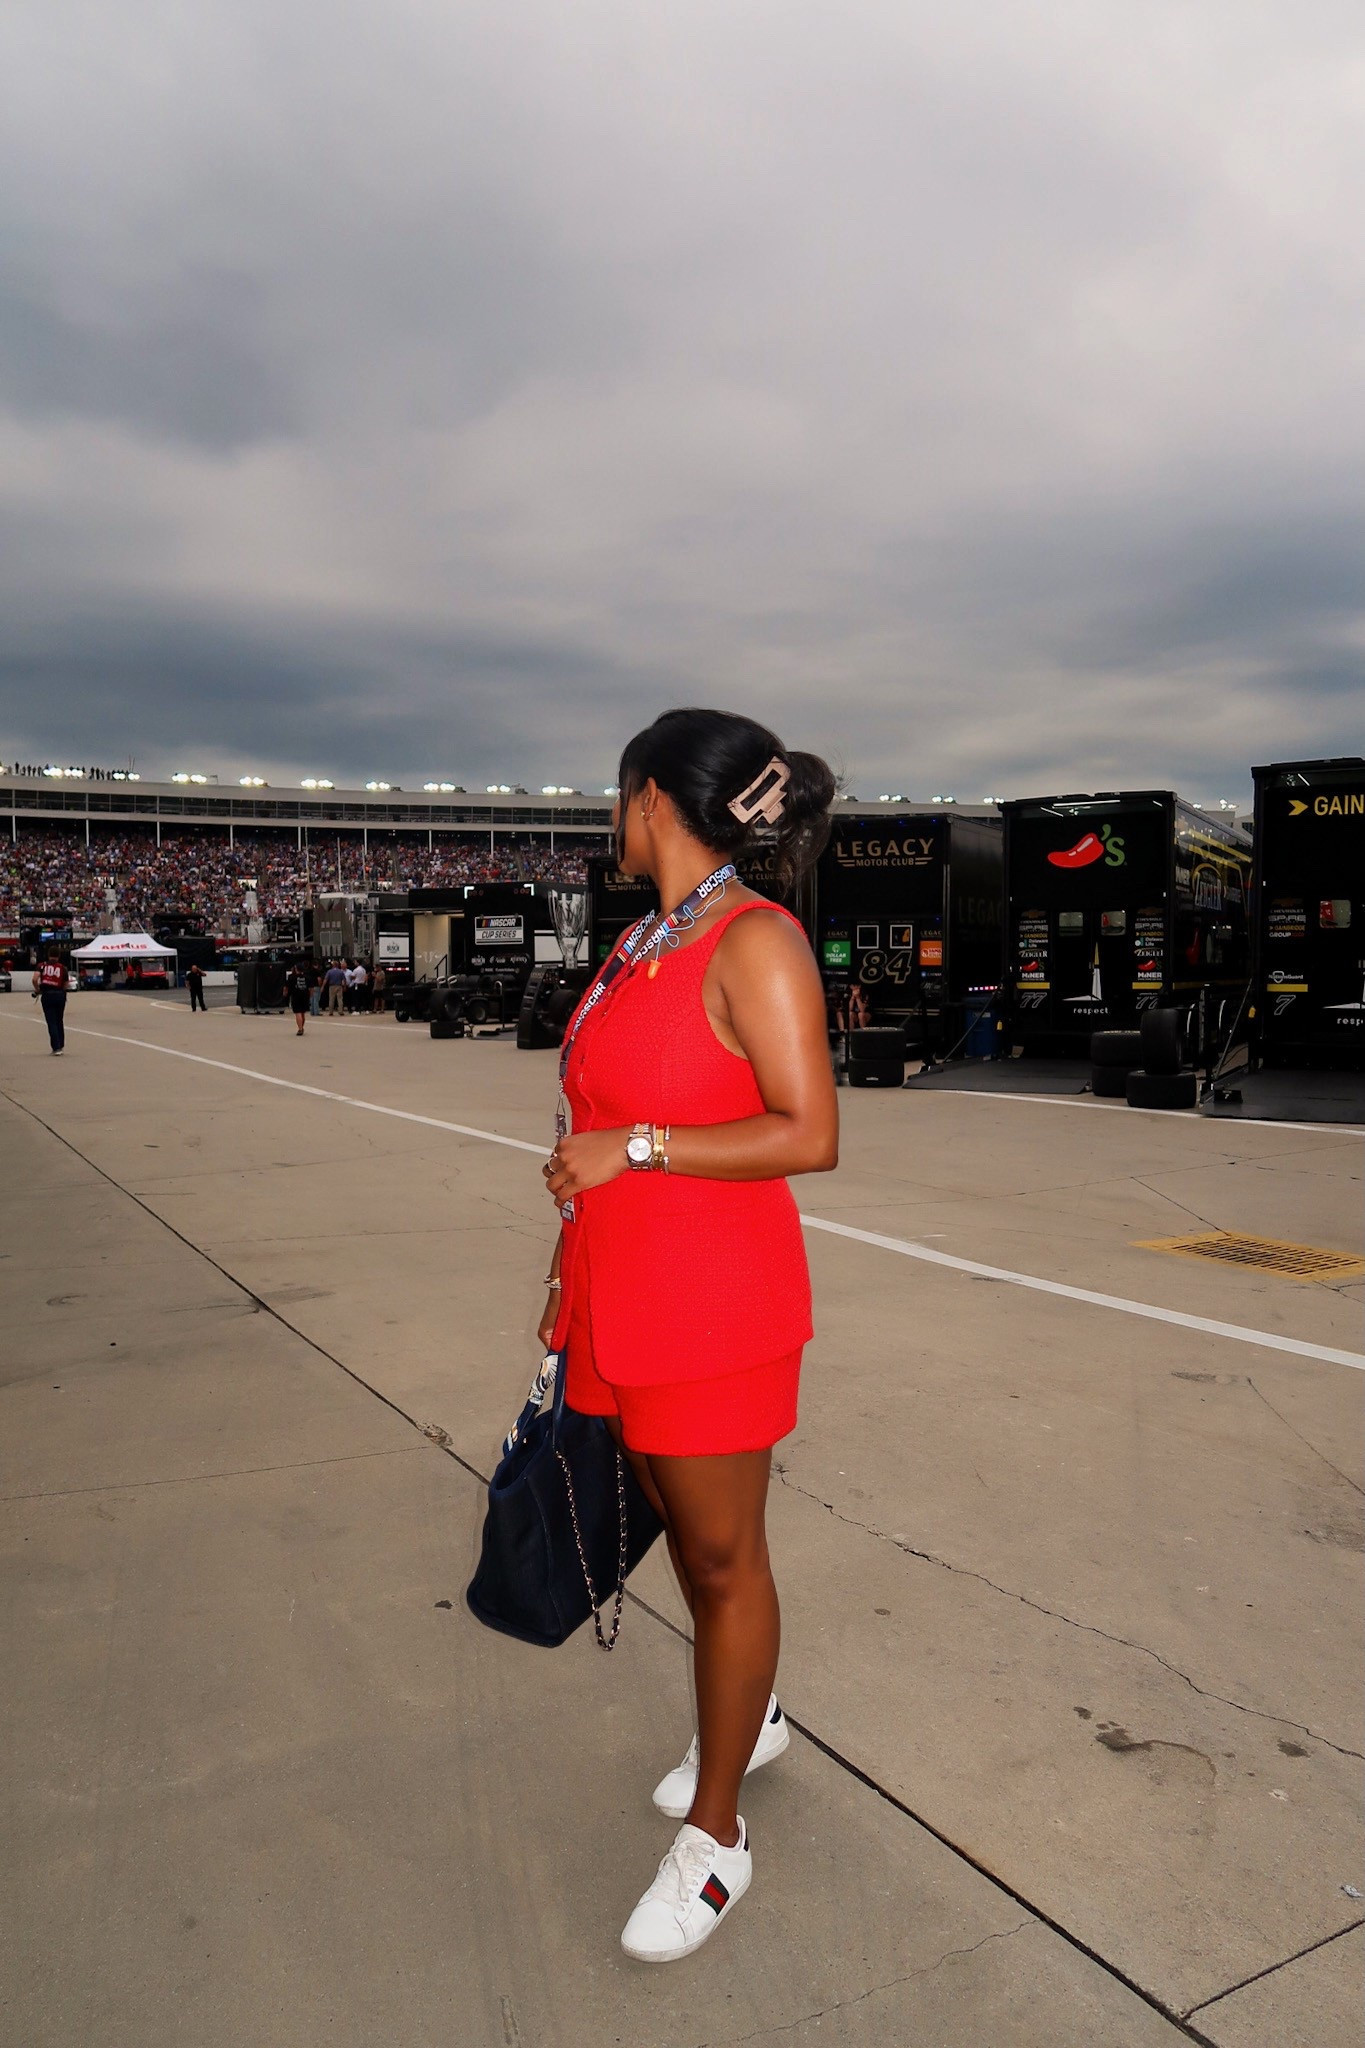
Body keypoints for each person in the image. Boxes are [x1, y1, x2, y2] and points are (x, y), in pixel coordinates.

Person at [540, 708, 838, 1963]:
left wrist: (636, 1148)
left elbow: (808, 1130)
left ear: (653, 796)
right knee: (678, 1529)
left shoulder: (753, 940)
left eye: (617, 796)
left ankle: (718, 1841)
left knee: (723, 1562)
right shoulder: (643, 938)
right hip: (620, 1288)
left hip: (713, 1305)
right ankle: (750, 1714)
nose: (609, 817)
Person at [32, 949, 69, 1054]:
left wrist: (37, 990)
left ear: (48, 955)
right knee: (59, 1021)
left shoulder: (42, 966)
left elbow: (35, 979)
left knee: (51, 1022)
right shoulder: (62, 968)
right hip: (60, 995)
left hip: (47, 995)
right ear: (58, 956)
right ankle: (61, 1045)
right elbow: (66, 983)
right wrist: (62, 991)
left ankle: (56, 1047)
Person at [285, 958, 311, 1036]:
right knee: (302, 1013)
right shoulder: (307, 977)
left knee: (298, 1013)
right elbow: (311, 988)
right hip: (305, 996)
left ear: (296, 969)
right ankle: (301, 1027)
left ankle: (300, 1029)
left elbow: (286, 987)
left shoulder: (291, 977)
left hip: (296, 996)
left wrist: (285, 994)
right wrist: (310, 995)